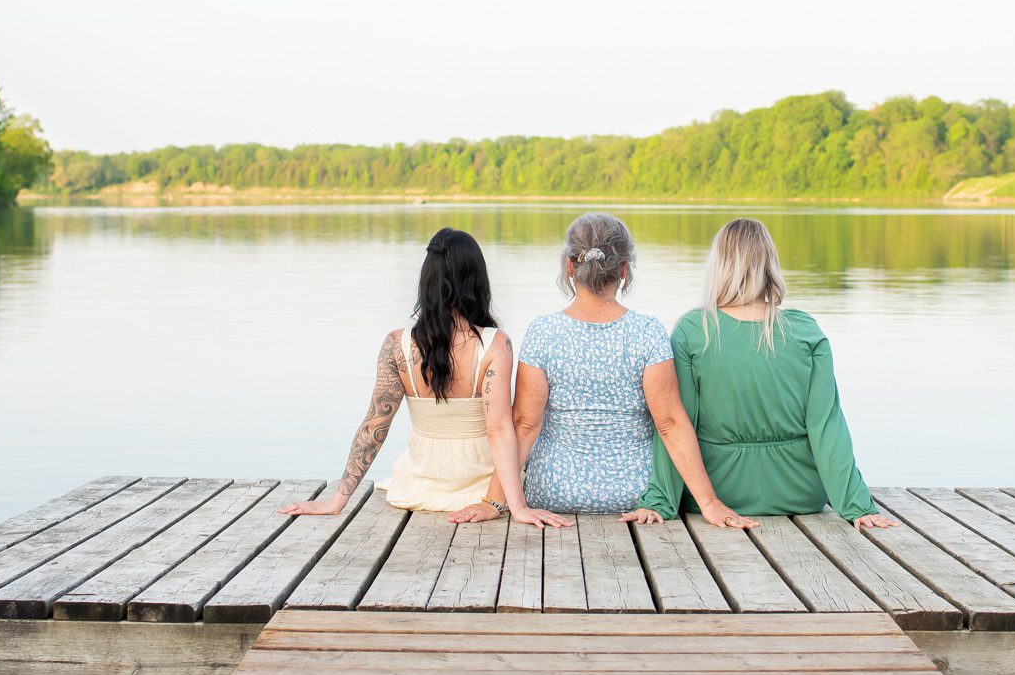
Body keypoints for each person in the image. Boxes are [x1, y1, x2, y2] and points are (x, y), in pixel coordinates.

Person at [455, 212, 752, 528]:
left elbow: (525, 424)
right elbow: (670, 424)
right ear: (623, 270)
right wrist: (709, 502)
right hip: (634, 494)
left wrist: (493, 501)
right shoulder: (647, 332)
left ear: (570, 267)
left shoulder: (543, 331)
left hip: (555, 491)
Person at [281, 227, 570, 527]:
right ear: (478, 279)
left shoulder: (397, 344)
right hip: (480, 492)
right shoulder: (495, 344)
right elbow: (498, 429)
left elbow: (375, 425)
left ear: (426, 281)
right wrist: (517, 506)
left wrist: (337, 500)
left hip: (418, 488)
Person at [634, 217, 897, 531]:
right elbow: (827, 427)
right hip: (799, 493)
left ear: (719, 265)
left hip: (720, 492)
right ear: (770, 264)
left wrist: (659, 500)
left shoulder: (694, 330)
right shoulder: (804, 330)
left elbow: (677, 423)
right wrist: (857, 507)